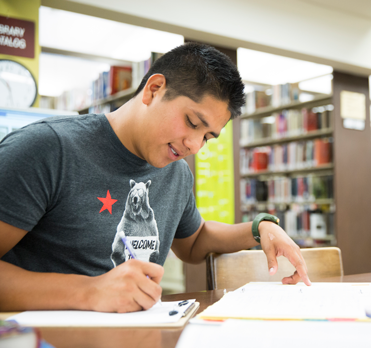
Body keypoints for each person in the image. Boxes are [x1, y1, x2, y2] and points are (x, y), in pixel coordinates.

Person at [0, 43, 311, 314]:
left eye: (207, 137)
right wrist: (88, 292)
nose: (194, 146)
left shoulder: (176, 173)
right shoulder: (47, 149)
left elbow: (194, 241)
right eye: (191, 122)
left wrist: (260, 227)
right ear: (154, 89)